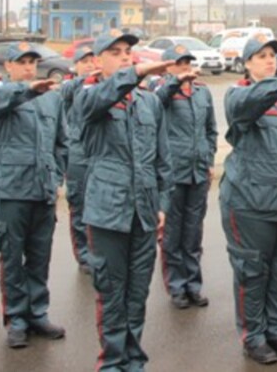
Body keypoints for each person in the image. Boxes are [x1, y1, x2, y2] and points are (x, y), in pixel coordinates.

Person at [77, 30, 174, 371]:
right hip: (108, 210)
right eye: (115, 52)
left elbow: (163, 160)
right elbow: (101, 98)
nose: (124, 57)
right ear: (96, 61)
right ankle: (112, 360)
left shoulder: (148, 102)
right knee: (111, 290)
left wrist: (162, 202)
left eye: (128, 51)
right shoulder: (89, 98)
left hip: (144, 210)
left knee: (137, 291)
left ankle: (133, 358)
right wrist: (133, 75)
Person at [218, 36, 277, 364]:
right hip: (251, 202)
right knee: (252, 271)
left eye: (272, 55)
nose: (268, 60)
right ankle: (253, 336)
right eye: (260, 56)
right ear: (246, 64)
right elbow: (254, 100)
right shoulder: (238, 96)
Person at [0, 41, 67, 348]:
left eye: (33, 61)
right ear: (8, 66)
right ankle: (16, 318)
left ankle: (37, 312)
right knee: (12, 258)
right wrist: (29, 89)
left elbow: (62, 141)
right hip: (11, 191)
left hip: (42, 189)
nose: (29, 67)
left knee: (39, 256)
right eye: (21, 62)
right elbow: (1, 100)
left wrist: (57, 172)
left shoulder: (51, 99)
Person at [151, 43, 218, 310]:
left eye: (187, 62)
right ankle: (176, 286)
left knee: (193, 232)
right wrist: (176, 82)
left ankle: (193, 284)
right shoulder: (161, 91)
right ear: (168, 68)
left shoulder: (202, 92)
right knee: (172, 234)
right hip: (173, 173)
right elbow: (158, 102)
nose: (186, 67)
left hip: (198, 171)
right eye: (179, 63)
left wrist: (209, 157)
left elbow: (210, 129)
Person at [60, 44, 97, 274]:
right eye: (84, 61)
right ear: (76, 66)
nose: (90, 65)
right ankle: (83, 255)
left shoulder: (101, 86)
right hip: (77, 154)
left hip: (98, 153)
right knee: (79, 206)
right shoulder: (70, 84)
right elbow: (66, 92)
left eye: (93, 60)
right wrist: (86, 78)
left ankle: (97, 251)